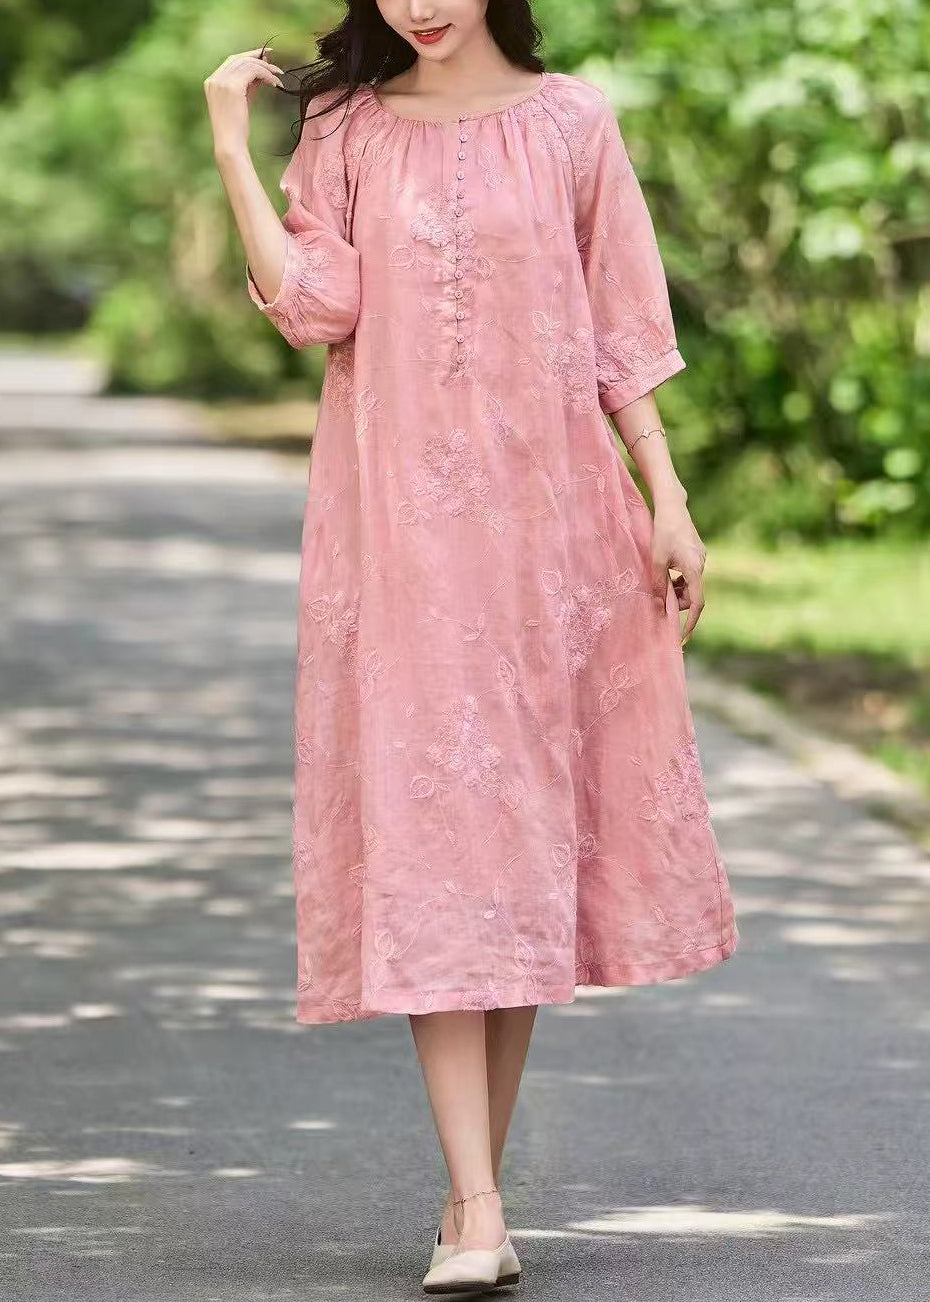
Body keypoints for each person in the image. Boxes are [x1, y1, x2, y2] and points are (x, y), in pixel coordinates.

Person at [204, 1, 739, 1292]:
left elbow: (620, 331)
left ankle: (471, 1206)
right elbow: (314, 306)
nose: (420, 6)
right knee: (439, 848)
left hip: (552, 543)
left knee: (516, 861)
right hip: (400, 546)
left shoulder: (573, 123)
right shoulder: (345, 126)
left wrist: (666, 497)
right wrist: (230, 146)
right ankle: (478, 1202)